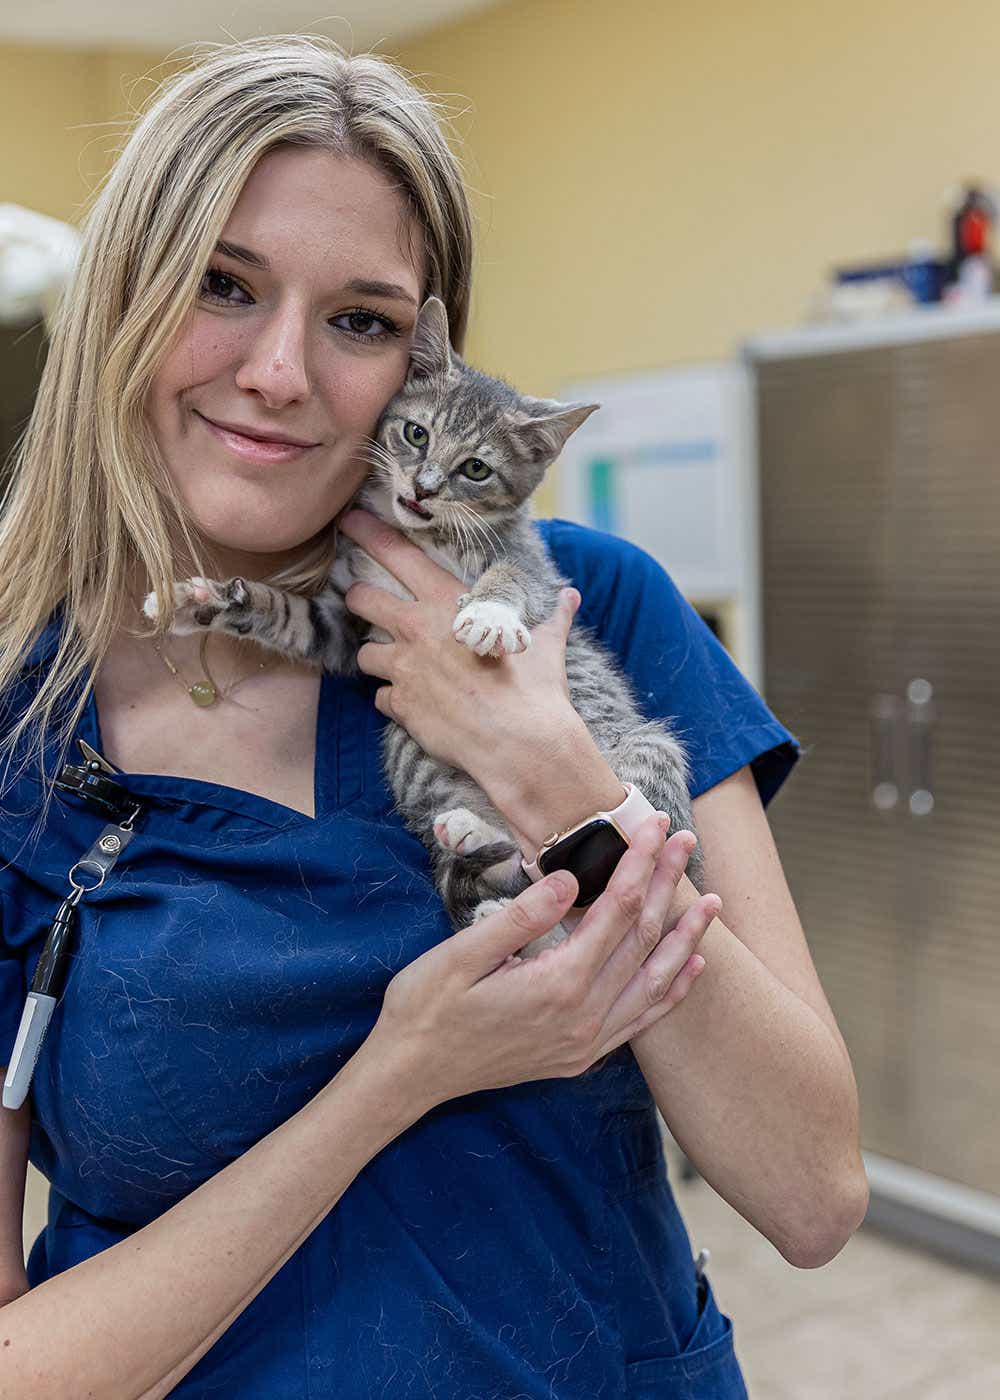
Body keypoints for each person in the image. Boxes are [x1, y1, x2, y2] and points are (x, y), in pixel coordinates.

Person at [0, 35, 868, 1399]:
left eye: (362, 319)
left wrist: (560, 777)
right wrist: (397, 1077)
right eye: (224, 285)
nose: (282, 370)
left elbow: (814, 1194)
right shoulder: (22, 731)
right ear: (122, 297)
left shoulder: (599, 613)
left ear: (425, 360)